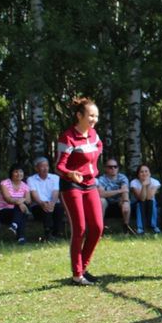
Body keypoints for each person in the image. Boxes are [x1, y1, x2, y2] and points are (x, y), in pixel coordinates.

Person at [56, 97, 104, 285]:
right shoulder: (67, 137)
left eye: (96, 116)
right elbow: (59, 167)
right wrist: (71, 174)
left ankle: (82, 269)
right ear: (79, 116)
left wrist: (90, 170)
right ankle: (77, 274)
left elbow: (98, 148)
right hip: (71, 186)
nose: (94, 119)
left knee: (98, 227)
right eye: (91, 115)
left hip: (90, 184)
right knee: (80, 228)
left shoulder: (94, 135)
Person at [27, 156, 64, 240]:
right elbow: (34, 194)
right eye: (42, 166)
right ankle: (48, 234)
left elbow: (55, 192)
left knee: (59, 208)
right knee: (44, 208)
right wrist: (42, 203)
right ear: (36, 168)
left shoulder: (55, 178)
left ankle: (57, 233)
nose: (45, 168)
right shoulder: (31, 179)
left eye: (47, 166)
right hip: (38, 205)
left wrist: (52, 203)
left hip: (52, 203)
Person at [0, 163, 31, 244]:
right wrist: (19, 202)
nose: (19, 174)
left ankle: (14, 226)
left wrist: (20, 202)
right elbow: (7, 198)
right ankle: (21, 236)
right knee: (21, 211)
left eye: (21, 172)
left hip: (18, 213)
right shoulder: (4, 183)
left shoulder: (25, 186)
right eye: (16, 172)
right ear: (11, 173)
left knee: (21, 210)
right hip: (5, 212)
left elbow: (28, 200)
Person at [97, 158, 132, 234]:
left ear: (118, 168)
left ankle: (126, 227)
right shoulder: (102, 179)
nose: (113, 168)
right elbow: (101, 194)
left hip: (119, 201)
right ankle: (100, 229)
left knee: (126, 203)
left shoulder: (122, 178)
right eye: (110, 167)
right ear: (106, 168)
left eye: (115, 166)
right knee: (101, 201)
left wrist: (125, 201)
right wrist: (119, 191)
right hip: (107, 202)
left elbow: (125, 192)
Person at [130, 163, 161, 234]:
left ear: (150, 173)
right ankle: (140, 228)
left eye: (146, 171)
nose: (144, 173)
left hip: (151, 203)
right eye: (141, 172)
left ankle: (154, 226)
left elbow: (149, 197)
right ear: (138, 174)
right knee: (140, 204)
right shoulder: (134, 182)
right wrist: (144, 185)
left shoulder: (155, 182)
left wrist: (148, 184)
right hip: (137, 203)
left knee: (152, 203)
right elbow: (142, 199)